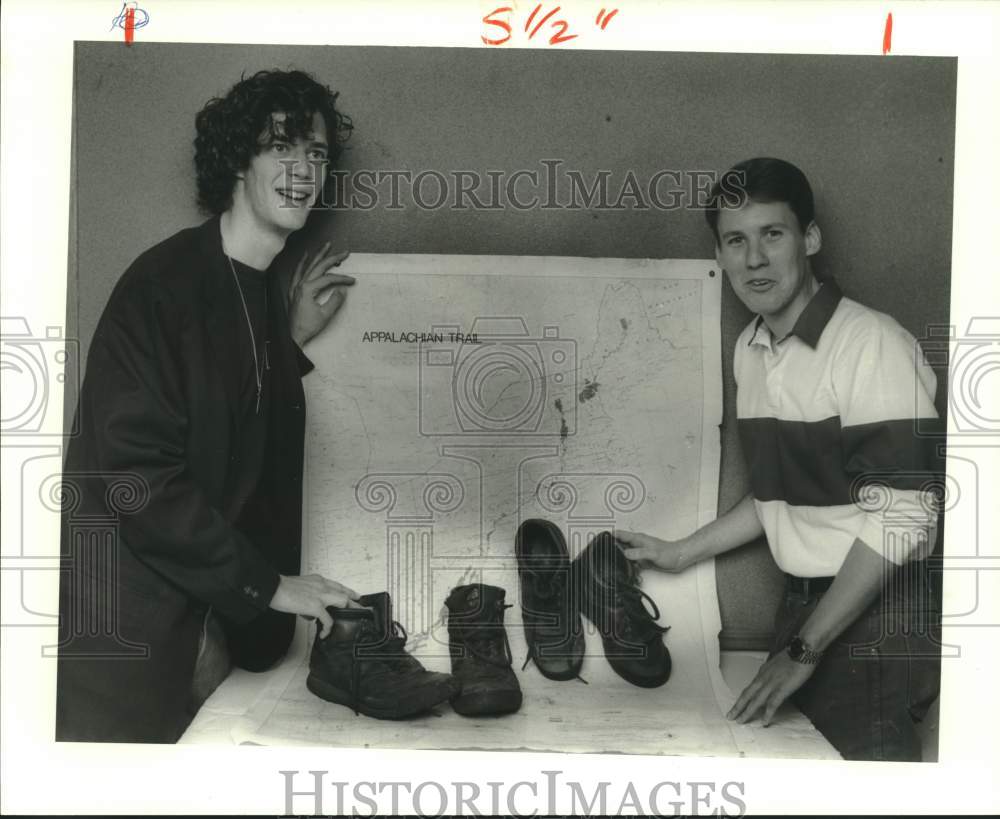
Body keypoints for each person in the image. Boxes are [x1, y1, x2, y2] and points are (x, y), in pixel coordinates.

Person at [56, 69, 363, 743]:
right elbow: (137, 481)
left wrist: (287, 342)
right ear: (236, 159)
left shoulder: (255, 290)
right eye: (280, 146)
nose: (303, 168)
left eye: (315, 152)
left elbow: (233, 429)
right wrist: (272, 587)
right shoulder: (162, 285)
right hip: (133, 638)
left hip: (206, 623)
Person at [618, 157, 942, 761]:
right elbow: (779, 493)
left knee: (866, 789)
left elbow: (905, 516)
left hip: (879, 609)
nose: (754, 259)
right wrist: (681, 552)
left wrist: (803, 650)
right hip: (805, 607)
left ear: (810, 239)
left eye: (773, 234)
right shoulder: (753, 348)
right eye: (735, 241)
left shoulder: (870, 344)